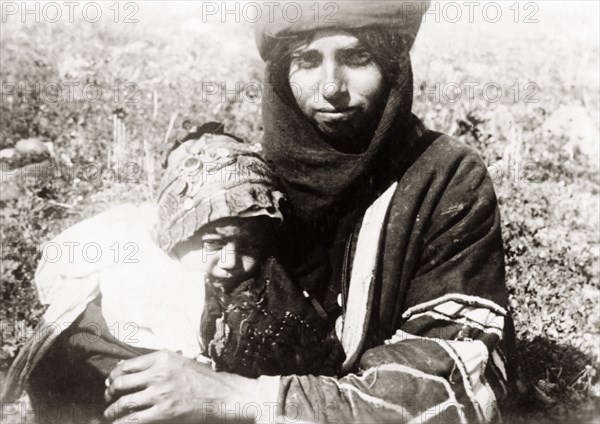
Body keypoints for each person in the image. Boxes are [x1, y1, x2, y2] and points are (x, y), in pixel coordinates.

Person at [97, 2, 520, 423]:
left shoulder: (445, 180)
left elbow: (449, 379)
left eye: (358, 57)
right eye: (307, 60)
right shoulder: (252, 181)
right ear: (282, 72)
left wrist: (237, 397)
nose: (331, 87)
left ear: (393, 64)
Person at [1, 128, 343, 423]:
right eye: (213, 243)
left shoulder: (266, 285)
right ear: (176, 235)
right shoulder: (138, 284)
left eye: (248, 247)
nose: (230, 262)